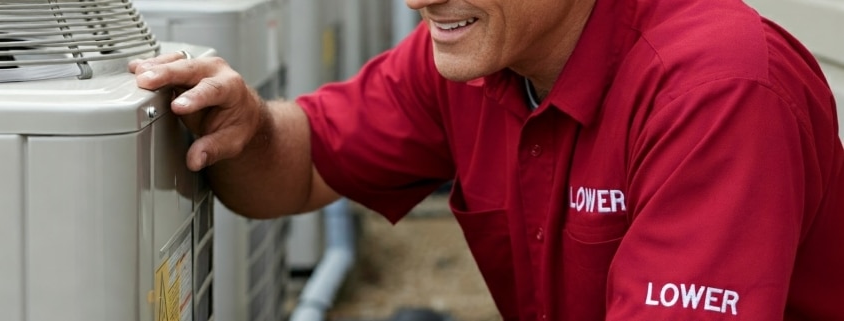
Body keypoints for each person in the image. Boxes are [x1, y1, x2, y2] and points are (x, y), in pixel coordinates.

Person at [129, 0, 844, 319]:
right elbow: (298, 167)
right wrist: (246, 127)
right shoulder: (472, 59)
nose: (418, 0)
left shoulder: (716, 88)